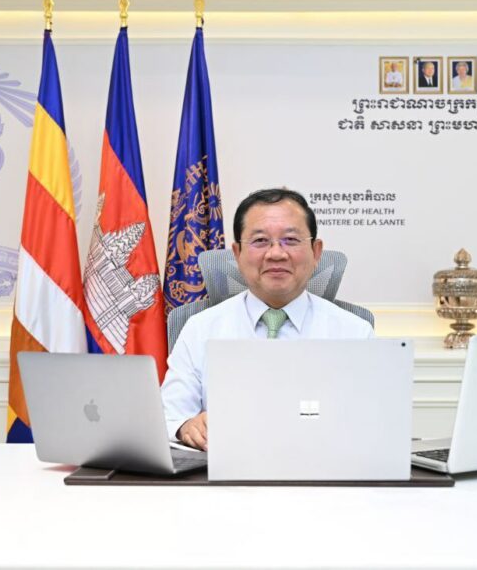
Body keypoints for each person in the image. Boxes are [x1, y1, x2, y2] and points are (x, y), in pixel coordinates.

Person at [160, 188, 374, 450]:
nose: (276, 254)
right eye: (260, 241)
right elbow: (170, 416)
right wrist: (186, 426)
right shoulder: (200, 328)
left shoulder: (354, 333)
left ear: (316, 251)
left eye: (291, 240)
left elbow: (370, 424)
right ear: (237, 254)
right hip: (225, 469)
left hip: (322, 467)